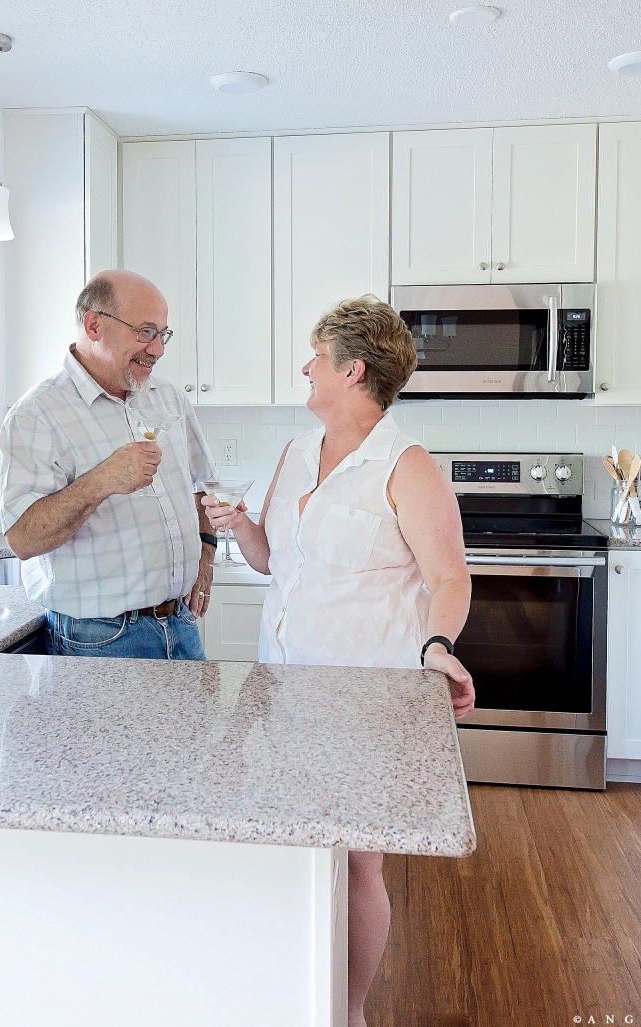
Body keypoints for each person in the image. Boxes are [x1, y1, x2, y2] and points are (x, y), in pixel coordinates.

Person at [201, 295, 475, 1027]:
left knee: (357, 858)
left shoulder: (408, 467)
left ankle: (349, 1009)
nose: (304, 367)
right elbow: (271, 561)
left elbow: (451, 579)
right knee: (297, 845)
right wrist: (241, 528)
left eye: (315, 357)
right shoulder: (295, 453)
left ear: (352, 371)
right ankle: (297, 992)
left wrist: (438, 647)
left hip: (366, 697)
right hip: (283, 687)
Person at [0, 269, 218, 660]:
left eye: (162, 334)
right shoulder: (36, 416)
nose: (157, 349)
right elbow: (23, 539)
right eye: (145, 332)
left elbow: (203, 486)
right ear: (94, 325)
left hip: (181, 624)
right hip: (101, 639)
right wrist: (102, 480)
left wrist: (206, 554)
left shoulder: (168, 398)